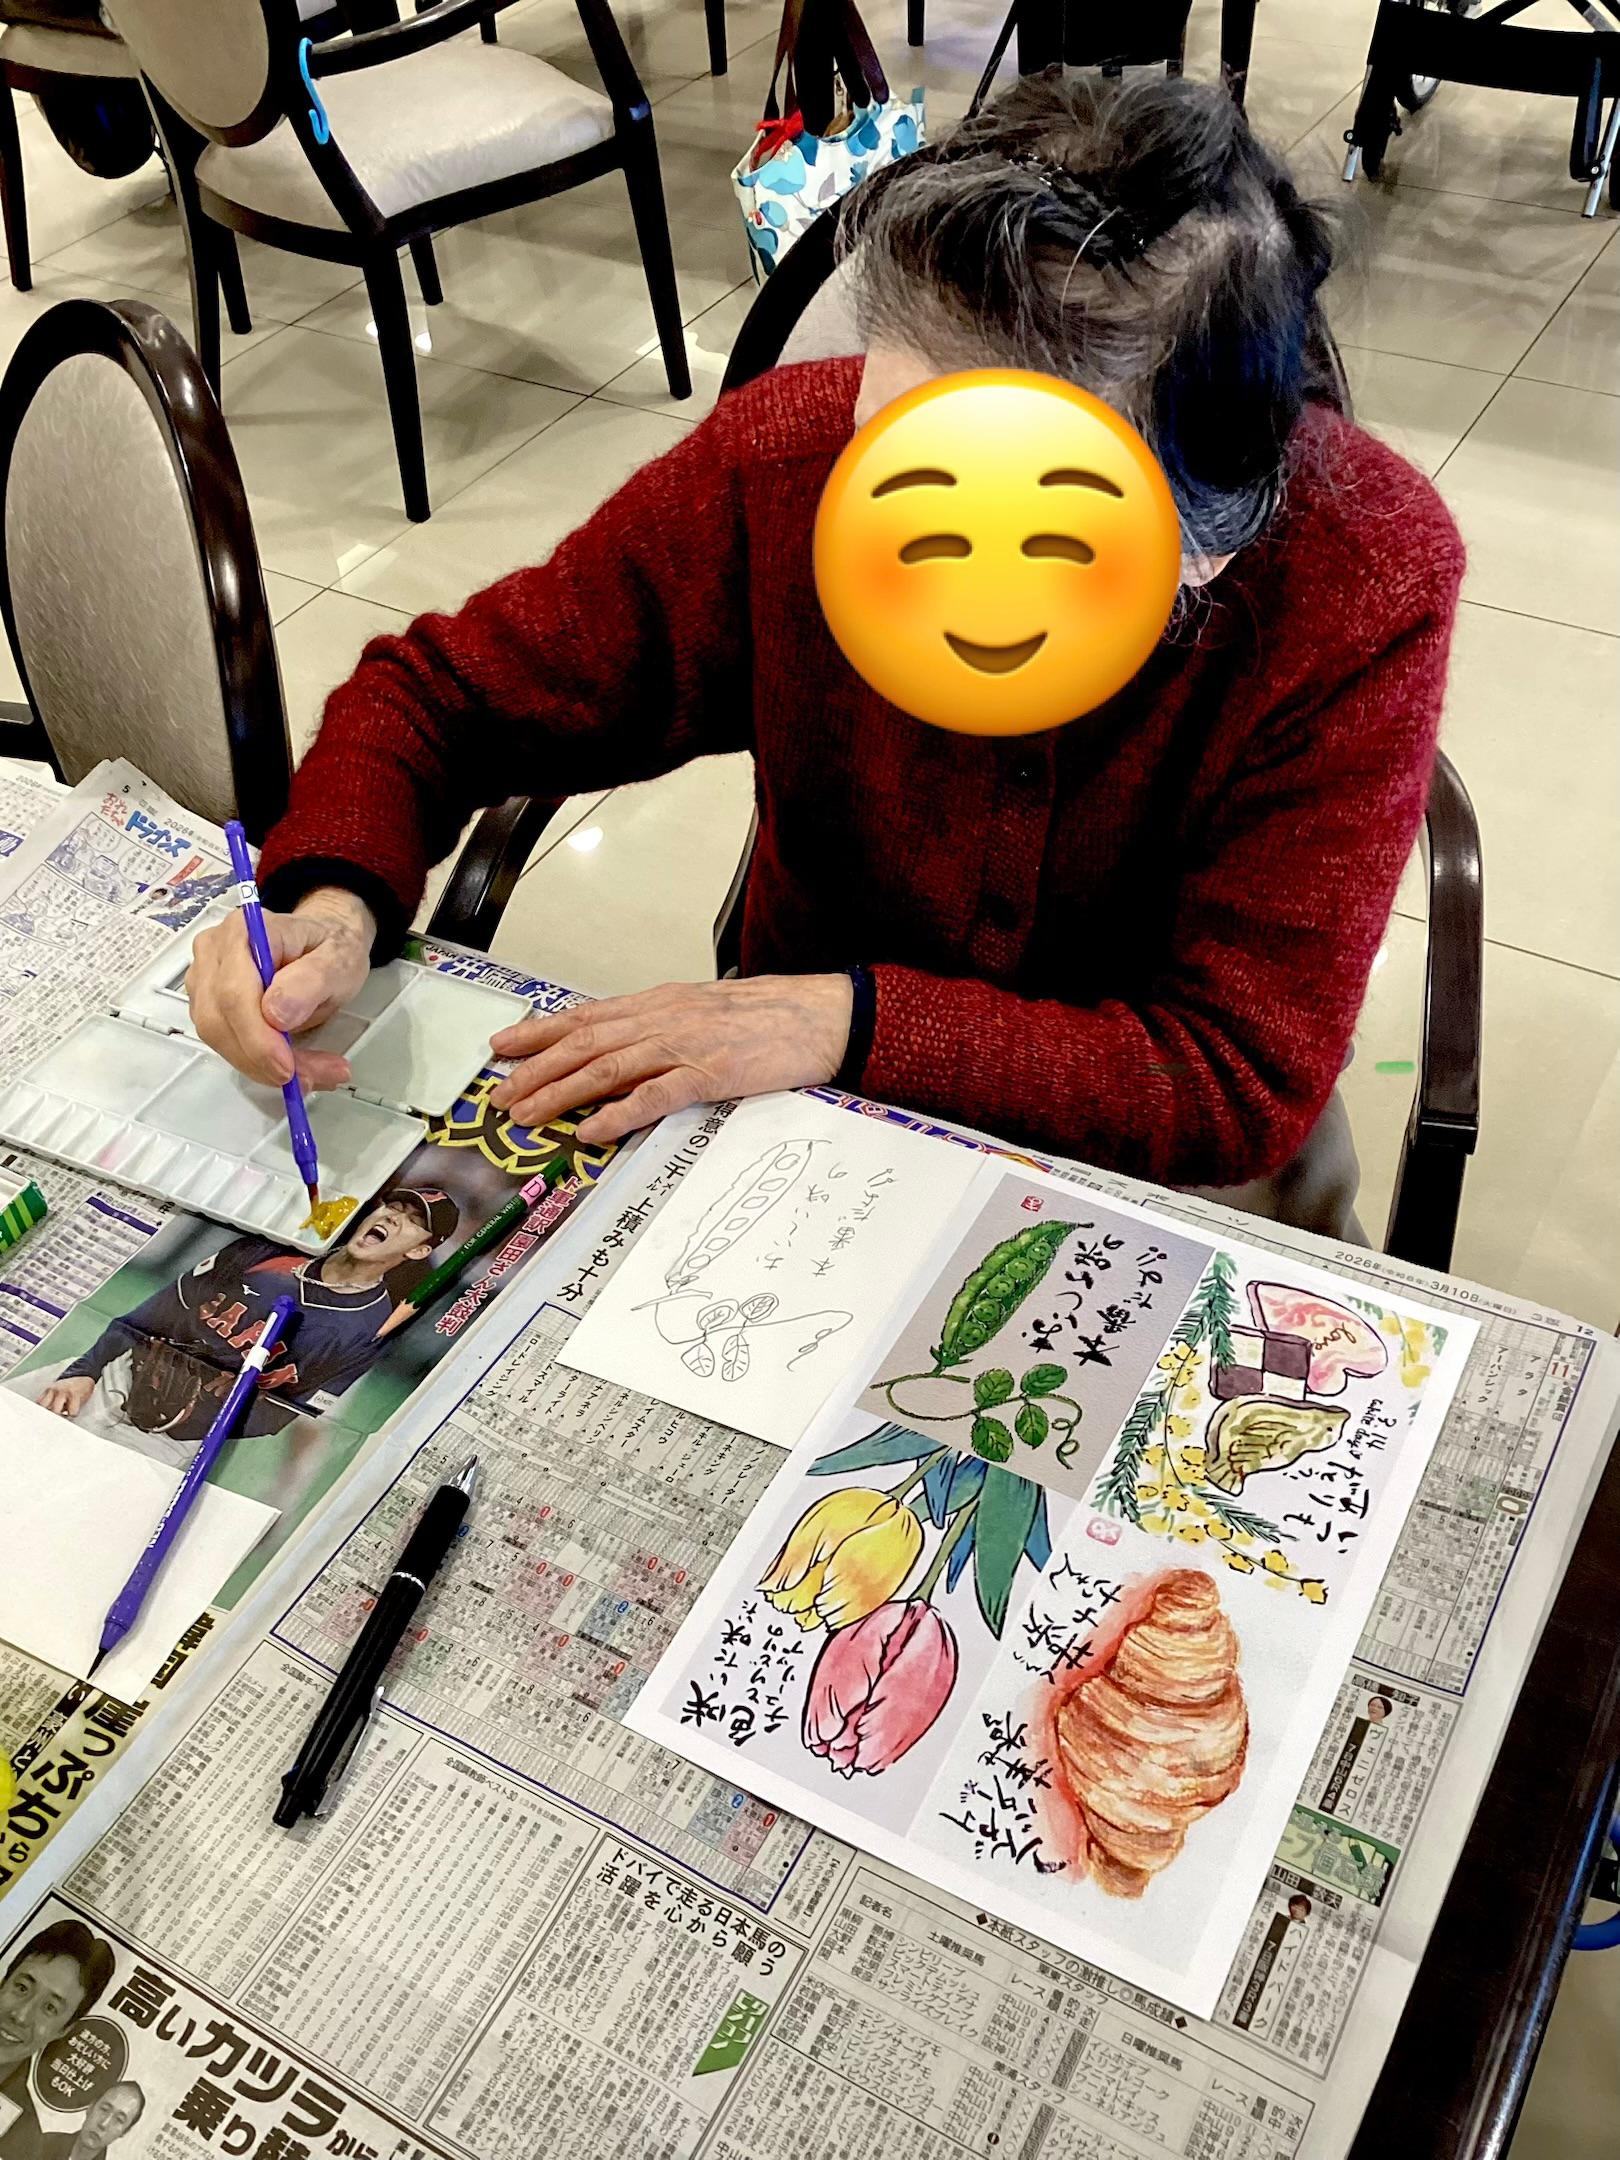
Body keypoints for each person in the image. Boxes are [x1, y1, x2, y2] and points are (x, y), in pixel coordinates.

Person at [184, 71, 1465, 1240]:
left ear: (1213, 537)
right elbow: (440, 699)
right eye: (888, 464)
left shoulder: (1362, 577)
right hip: (808, 1129)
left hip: (1161, 1183)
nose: (918, 562)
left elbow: (1233, 1077)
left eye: (1036, 539)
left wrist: (845, 1019)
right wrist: (333, 902)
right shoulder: (788, 467)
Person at [35, 1188, 460, 1466]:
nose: (394, 1217)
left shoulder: (368, 1328)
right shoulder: (271, 1251)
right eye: (393, 1206)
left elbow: (284, 1414)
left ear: (419, 1250)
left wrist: (197, 1413)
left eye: (412, 1220)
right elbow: (159, 1309)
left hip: (172, 1440)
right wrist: (84, 1370)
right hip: (115, 1379)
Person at [0, 1924, 116, 2153]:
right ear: (3, 1982)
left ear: (64, 2029)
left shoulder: (19, 2141)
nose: (21, 2016)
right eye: (22, 1987)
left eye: (50, 2008)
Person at [31, 2083, 145, 2160]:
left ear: (125, 2131)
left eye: (119, 2119)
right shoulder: (41, 2144)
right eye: (104, 2109)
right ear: (91, 2107)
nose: (104, 2124)